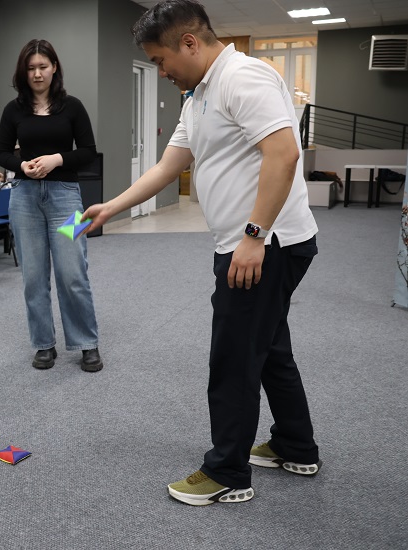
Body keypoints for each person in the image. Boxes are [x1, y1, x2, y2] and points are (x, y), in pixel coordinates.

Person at [83, 0, 321, 505]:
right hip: (253, 243)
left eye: (161, 60)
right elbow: (168, 167)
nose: (161, 71)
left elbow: (283, 153)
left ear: (189, 43)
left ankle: (227, 474)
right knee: (270, 346)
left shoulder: (243, 78)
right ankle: (295, 444)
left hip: (263, 245)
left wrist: (254, 237)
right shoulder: (199, 95)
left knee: (234, 357)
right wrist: (113, 207)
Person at [0, 39, 103, 373]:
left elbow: (88, 151)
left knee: (74, 273)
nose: (37, 73)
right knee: (33, 277)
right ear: (23, 72)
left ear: (54, 67)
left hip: (68, 197)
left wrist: (57, 159)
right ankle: (44, 344)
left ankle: (86, 343)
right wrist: (20, 166)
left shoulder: (73, 106)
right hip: (24, 199)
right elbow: (0, 153)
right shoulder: (14, 110)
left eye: (43, 66)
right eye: (31, 68)